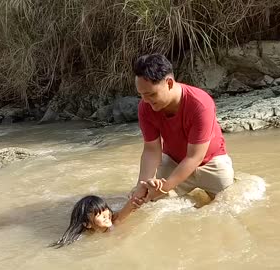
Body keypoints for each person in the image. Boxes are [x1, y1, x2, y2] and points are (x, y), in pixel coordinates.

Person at [130, 53, 235, 203]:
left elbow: (194, 157)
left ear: (170, 83)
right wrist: (142, 186)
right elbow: (151, 149)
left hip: (211, 162)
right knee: (151, 204)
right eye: (141, 95)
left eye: (151, 94)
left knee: (229, 204)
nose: (145, 101)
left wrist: (163, 188)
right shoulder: (145, 107)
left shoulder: (200, 104)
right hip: (174, 161)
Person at [50, 195, 139, 248]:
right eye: (99, 215)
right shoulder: (85, 235)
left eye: (105, 209)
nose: (106, 215)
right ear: (87, 224)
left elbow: (128, 209)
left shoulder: (114, 221)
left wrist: (134, 201)